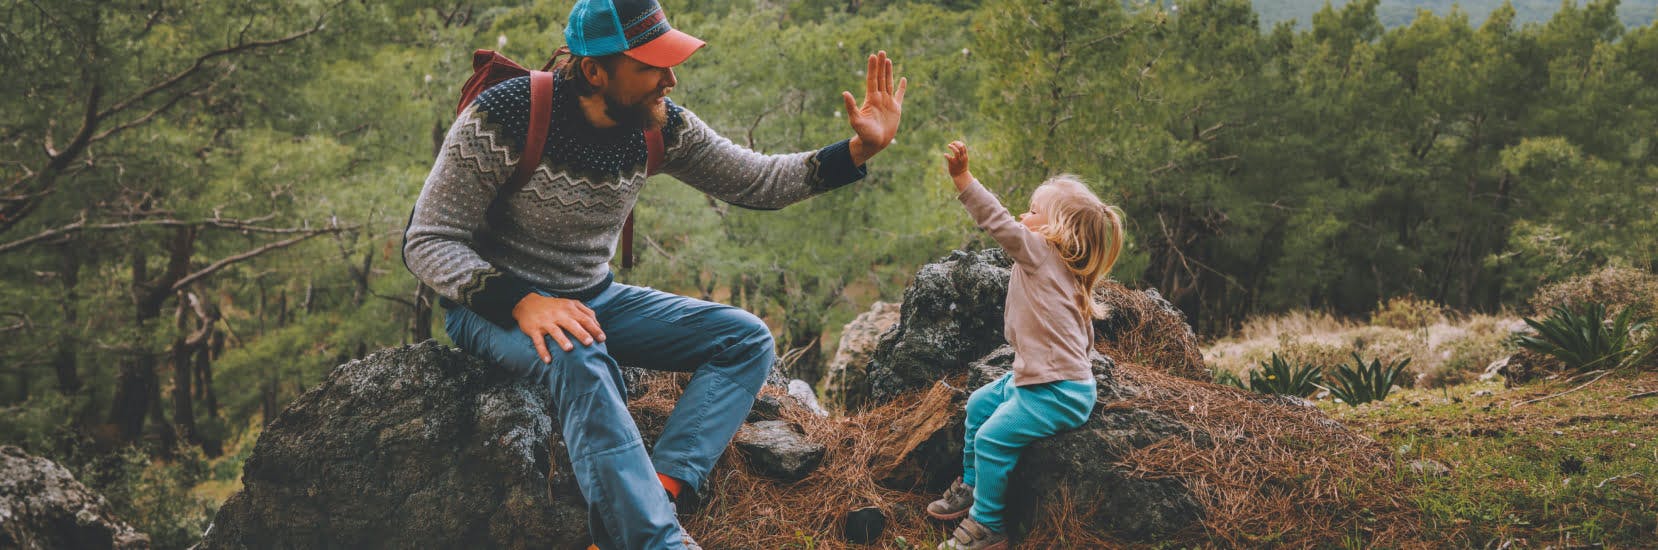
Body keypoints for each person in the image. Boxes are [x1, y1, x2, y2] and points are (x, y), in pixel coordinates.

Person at [401, 0, 906, 547]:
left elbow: (757, 181)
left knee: (744, 339)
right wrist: (524, 302)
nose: (670, 78)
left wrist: (858, 149)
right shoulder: (507, 116)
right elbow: (428, 240)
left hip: (593, 297)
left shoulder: (659, 125)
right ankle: (654, 540)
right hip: (492, 311)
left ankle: (659, 487)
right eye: (651, 65)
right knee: (576, 351)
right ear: (595, 70)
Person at [925, 141, 1124, 550]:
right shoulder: (1065, 269)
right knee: (979, 403)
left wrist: (964, 180)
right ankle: (972, 486)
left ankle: (989, 525)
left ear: (1057, 227)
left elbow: (998, 222)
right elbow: (1081, 337)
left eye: (1033, 210)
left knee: (992, 437)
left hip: (1058, 392)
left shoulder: (1039, 252)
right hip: (1042, 380)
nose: (1023, 215)